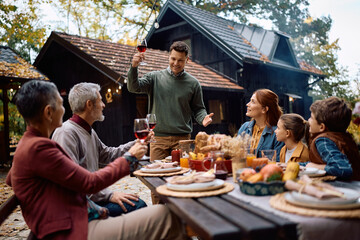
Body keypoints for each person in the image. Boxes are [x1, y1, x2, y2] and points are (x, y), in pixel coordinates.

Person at [6, 80, 184, 239]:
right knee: (169, 216)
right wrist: (129, 159)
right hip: (72, 228)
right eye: (61, 104)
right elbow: (88, 183)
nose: (65, 109)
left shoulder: (29, 144)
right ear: (48, 112)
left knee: (157, 212)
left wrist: (135, 145)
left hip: (75, 217)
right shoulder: (44, 144)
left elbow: (13, 179)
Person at [52, 82, 148, 216]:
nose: (103, 105)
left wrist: (137, 143)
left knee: (138, 203)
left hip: (93, 197)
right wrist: (109, 195)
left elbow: (107, 155)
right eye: (100, 100)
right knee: (138, 207)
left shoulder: (88, 130)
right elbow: (72, 183)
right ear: (89, 104)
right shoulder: (66, 133)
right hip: (80, 207)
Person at [127, 41, 214, 161]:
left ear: (187, 60)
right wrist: (134, 67)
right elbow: (133, 87)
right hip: (157, 140)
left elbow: (198, 108)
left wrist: (203, 118)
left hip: (182, 140)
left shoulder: (193, 83)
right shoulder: (154, 78)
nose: (176, 63)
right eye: (173, 59)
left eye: (180, 60)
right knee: (157, 176)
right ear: (169, 57)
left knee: (182, 174)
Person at [306, 96, 360, 180]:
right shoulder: (344, 137)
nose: (308, 120)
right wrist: (299, 165)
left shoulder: (323, 140)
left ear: (321, 127)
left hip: (343, 190)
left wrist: (315, 167)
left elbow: (343, 169)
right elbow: (322, 162)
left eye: (311, 118)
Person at [237, 89, 284, 161]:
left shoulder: (277, 132)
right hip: (244, 170)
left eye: (253, 102)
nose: (247, 104)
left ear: (264, 109)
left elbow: (278, 162)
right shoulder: (244, 127)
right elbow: (235, 153)